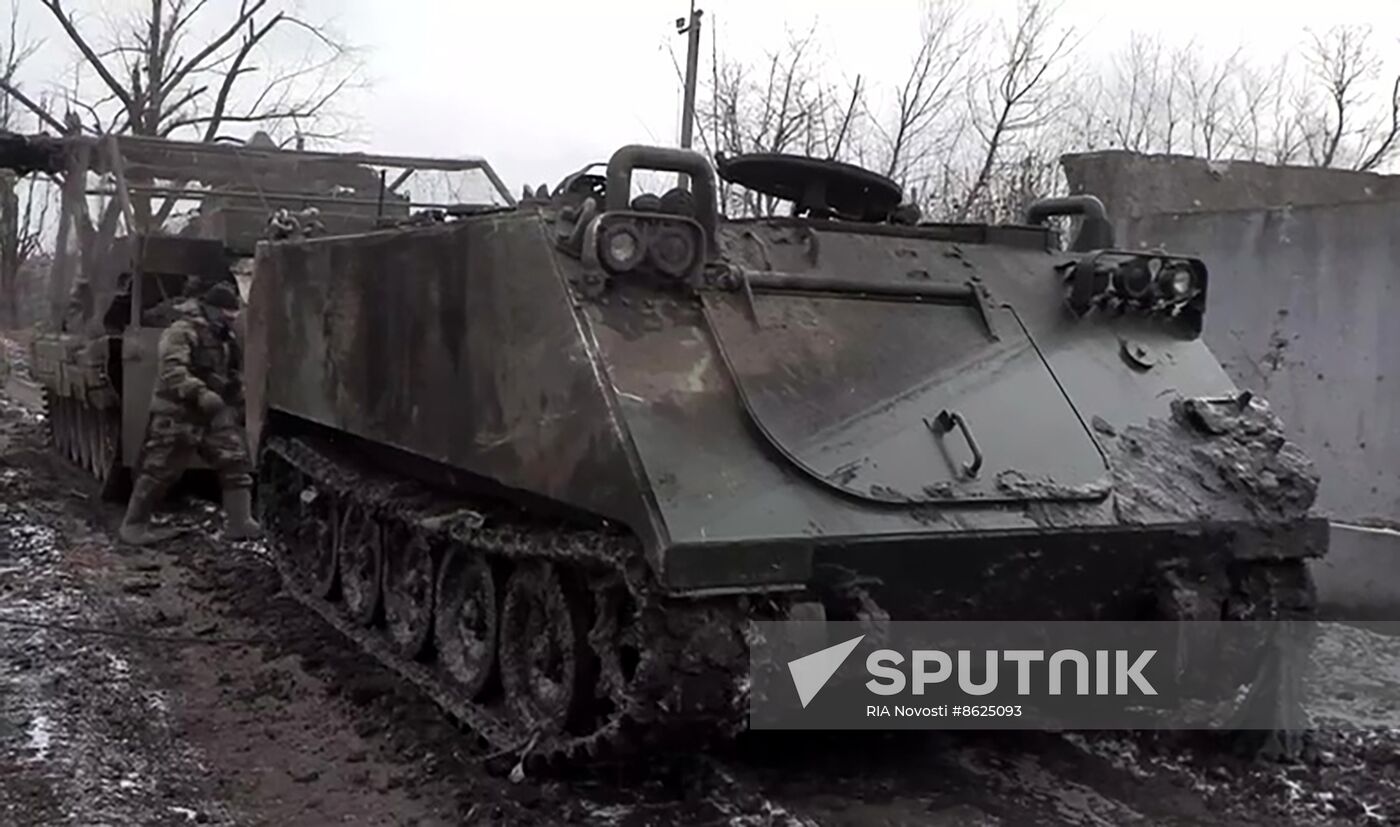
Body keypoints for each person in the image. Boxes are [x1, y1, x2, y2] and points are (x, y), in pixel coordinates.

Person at [118, 281, 263, 545]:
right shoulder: (181, 332)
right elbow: (173, 371)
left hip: (210, 415)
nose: (231, 320)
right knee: (159, 471)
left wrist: (239, 400)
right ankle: (134, 525)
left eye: (234, 315)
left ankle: (240, 522)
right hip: (177, 413)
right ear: (211, 309)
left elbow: (230, 375)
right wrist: (200, 393)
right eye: (227, 314)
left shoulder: (224, 338)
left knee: (235, 462)